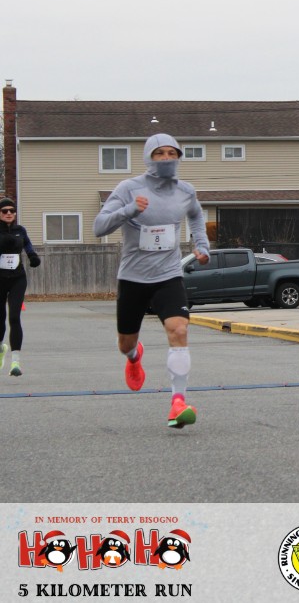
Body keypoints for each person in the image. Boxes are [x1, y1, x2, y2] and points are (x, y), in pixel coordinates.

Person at [93, 133, 210, 428]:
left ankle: (178, 402)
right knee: (125, 343)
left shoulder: (185, 191)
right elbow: (99, 226)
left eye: (172, 153)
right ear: (149, 157)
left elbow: (196, 217)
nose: (167, 158)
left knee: (179, 329)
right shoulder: (128, 188)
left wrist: (202, 245)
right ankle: (134, 357)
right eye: (160, 153)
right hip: (133, 277)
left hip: (168, 275)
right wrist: (129, 210)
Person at [0, 197, 41, 376]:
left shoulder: (20, 230)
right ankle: (1, 348)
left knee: (14, 317)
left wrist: (33, 256)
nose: (9, 213)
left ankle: (15, 362)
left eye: (12, 210)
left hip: (17, 278)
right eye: (5, 211)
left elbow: (28, 245)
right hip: (0, 279)